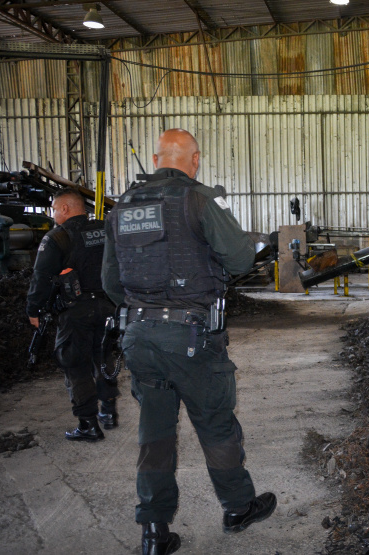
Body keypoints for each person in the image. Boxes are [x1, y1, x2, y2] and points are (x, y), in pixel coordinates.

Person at [102, 129, 276, 555]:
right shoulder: (198, 199)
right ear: (194, 159)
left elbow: (109, 282)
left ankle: (154, 532)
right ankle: (237, 508)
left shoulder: (121, 207)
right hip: (191, 338)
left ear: (157, 157)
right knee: (215, 423)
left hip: (138, 336)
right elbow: (240, 258)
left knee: (154, 433)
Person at [26, 188, 119, 441]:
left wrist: (33, 309)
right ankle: (109, 412)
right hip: (109, 306)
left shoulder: (58, 237)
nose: (53, 213)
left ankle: (88, 424)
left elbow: (41, 277)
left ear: (65, 209)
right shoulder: (106, 229)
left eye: (54, 208)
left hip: (76, 310)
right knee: (104, 358)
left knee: (75, 364)